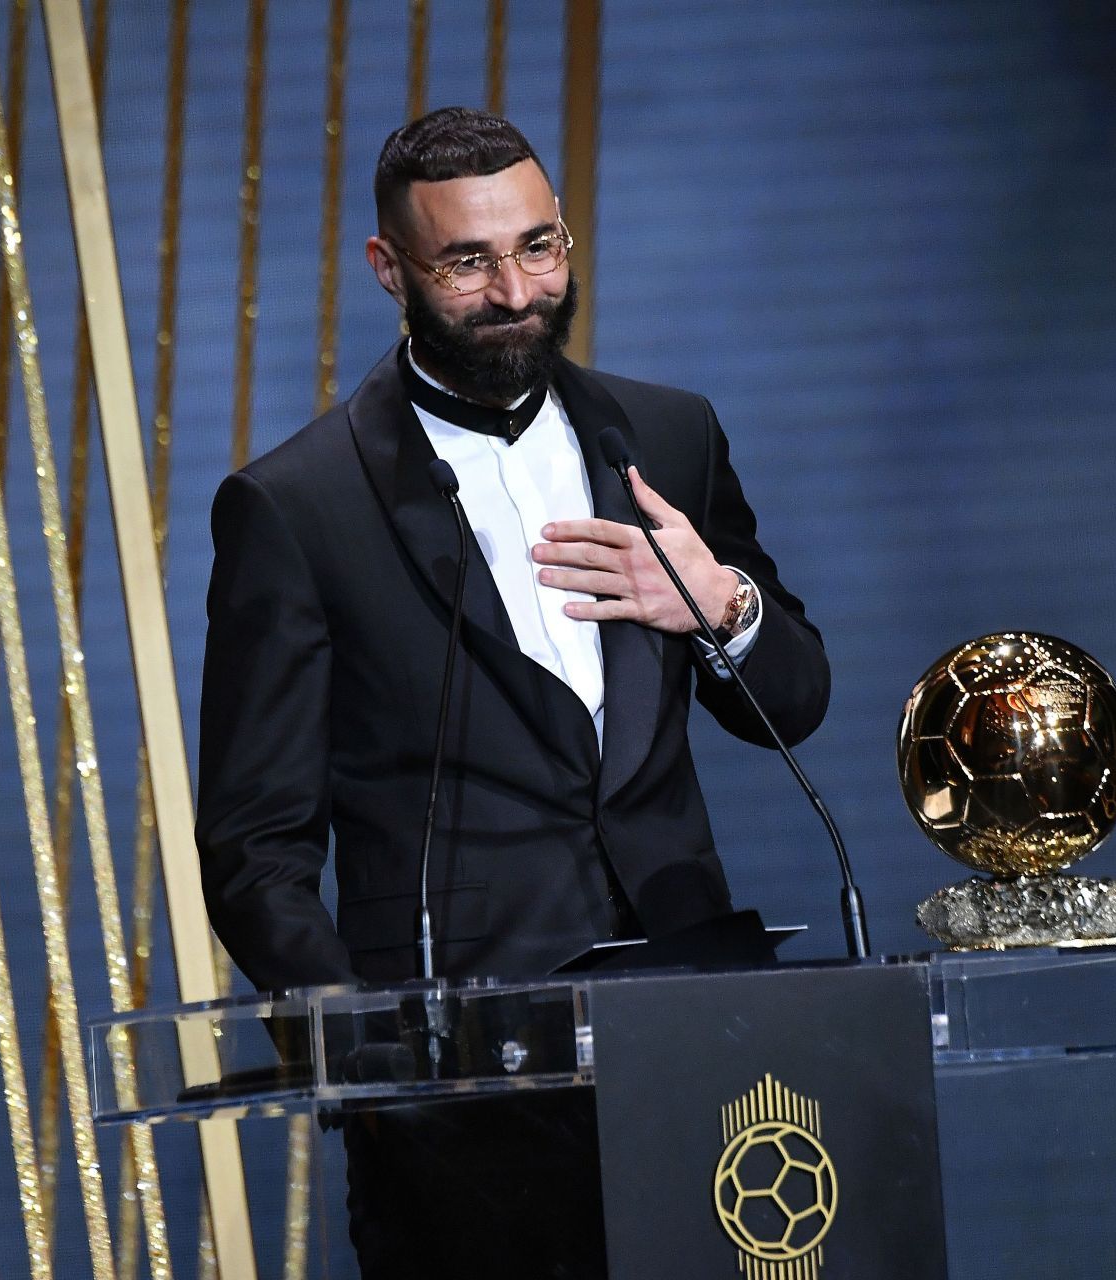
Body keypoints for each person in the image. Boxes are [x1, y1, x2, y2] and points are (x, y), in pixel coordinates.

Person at [195, 107, 829, 1278]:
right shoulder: (299, 508)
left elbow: (788, 702)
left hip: (705, 1047)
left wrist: (724, 605)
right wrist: (376, 1061)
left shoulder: (670, 437)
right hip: (462, 1096)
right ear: (390, 268)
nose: (516, 290)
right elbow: (254, 851)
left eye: (540, 247)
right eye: (469, 261)